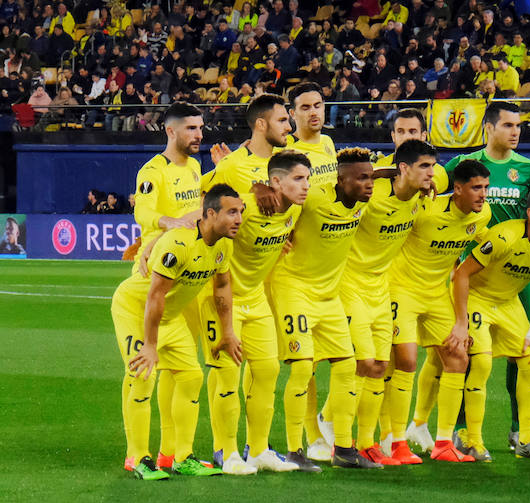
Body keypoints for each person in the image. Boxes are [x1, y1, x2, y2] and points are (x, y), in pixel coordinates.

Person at [112, 184, 243, 480]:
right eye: (231, 212)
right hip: (135, 310)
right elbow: (154, 296)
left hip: (168, 317)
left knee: (191, 376)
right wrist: (150, 345)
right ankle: (137, 457)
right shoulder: (178, 244)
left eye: (241, 212)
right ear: (210, 213)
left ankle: (181, 457)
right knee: (143, 375)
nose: (238, 219)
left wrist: (228, 332)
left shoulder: (223, 244)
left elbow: (222, 287)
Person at [321, 140, 434, 467]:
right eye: (424, 167)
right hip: (349, 284)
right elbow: (338, 185)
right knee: (361, 364)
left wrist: (417, 181)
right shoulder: (370, 194)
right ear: (403, 169)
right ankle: (337, 434)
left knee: (380, 367)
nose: (431, 174)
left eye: (431, 167)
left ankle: (369, 442)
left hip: (380, 288)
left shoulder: (417, 197)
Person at [199, 151, 311, 474]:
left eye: (307, 178)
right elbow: (202, 217)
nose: (305, 186)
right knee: (228, 375)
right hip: (221, 299)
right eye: (298, 179)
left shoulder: (296, 210)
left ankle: (259, 449)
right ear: (275, 181)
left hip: (256, 298)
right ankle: (227, 452)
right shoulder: (245, 207)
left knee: (267, 372)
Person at [269, 148, 381, 470]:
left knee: (347, 367)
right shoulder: (312, 198)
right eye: (362, 178)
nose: (369, 184)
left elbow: (388, 177)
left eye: (371, 177)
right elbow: (279, 194)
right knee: (303, 368)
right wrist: (260, 188)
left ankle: (344, 449)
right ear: (340, 180)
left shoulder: (364, 199)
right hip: (294, 289)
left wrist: (380, 174)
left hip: (330, 297)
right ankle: (294, 451)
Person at [444, 101, 530, 450]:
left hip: (516, 277)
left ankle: (520, 432)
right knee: (470, 354)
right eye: (507, 125)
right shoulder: (463, 165)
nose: (515, 132)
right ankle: (459, 430)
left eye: (518, 126)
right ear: (489, 128)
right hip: (473, 272)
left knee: (526, 353)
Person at [450, 185, 530, 461]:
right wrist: (459, 321)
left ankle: (526, 440)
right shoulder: (504, 236)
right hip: (477, 298)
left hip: (507, 302)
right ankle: (472, 440)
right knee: (481, 362)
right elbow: (462, 274)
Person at [386, 160, 492, 463]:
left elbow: (467, 264)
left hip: (435, 294)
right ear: (457, 189)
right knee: (405, 360)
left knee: (458, 356)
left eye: (485, 188)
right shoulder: (425, 209)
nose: (483, 195)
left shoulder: (482, 215)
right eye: (476, 188)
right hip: (402, 290)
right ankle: (397, 443)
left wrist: (462, 322)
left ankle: (444, 443)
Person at [129, 102, 205, 473]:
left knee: (182, 370)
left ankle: (171, 453)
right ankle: (135, 455)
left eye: (200, 128)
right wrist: (171, 222)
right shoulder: (152, 171)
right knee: (143, 369)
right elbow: (142, 213)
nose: (198, 135)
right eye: (191, 128)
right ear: (170, 131)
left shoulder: (194, 167)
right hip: (155, 267)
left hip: (185, 273)